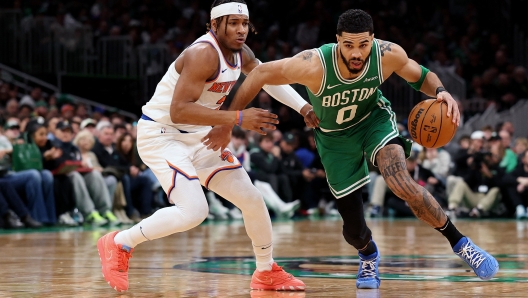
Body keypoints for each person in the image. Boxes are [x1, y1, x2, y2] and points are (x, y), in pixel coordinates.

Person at [211, 9, 498, 289]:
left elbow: (420, 75)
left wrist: (441, 91)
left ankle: (462, 244)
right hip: (334, 139)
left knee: (400, 180)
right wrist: (228, 122)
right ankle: (369, 254)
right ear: (338, 42)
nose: (357, 53)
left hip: (373, 121)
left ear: (373, 40)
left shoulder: (387, 55)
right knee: (353, 230)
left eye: (363, 44)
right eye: (348, 45)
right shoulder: (313, 64)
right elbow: (259, 73)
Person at [97, 0, 307, 292]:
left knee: (252, 199)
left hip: (199, 135)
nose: (241, 29)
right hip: (163, 134)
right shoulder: (202, 54)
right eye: (233, 23)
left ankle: (266, 270)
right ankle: (119, 242)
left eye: (244, 23)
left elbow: (266, 77)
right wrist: (236, 117)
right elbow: (179, 110)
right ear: (214, 25)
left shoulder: (242, 53)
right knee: (194, 212)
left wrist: (304, 108)